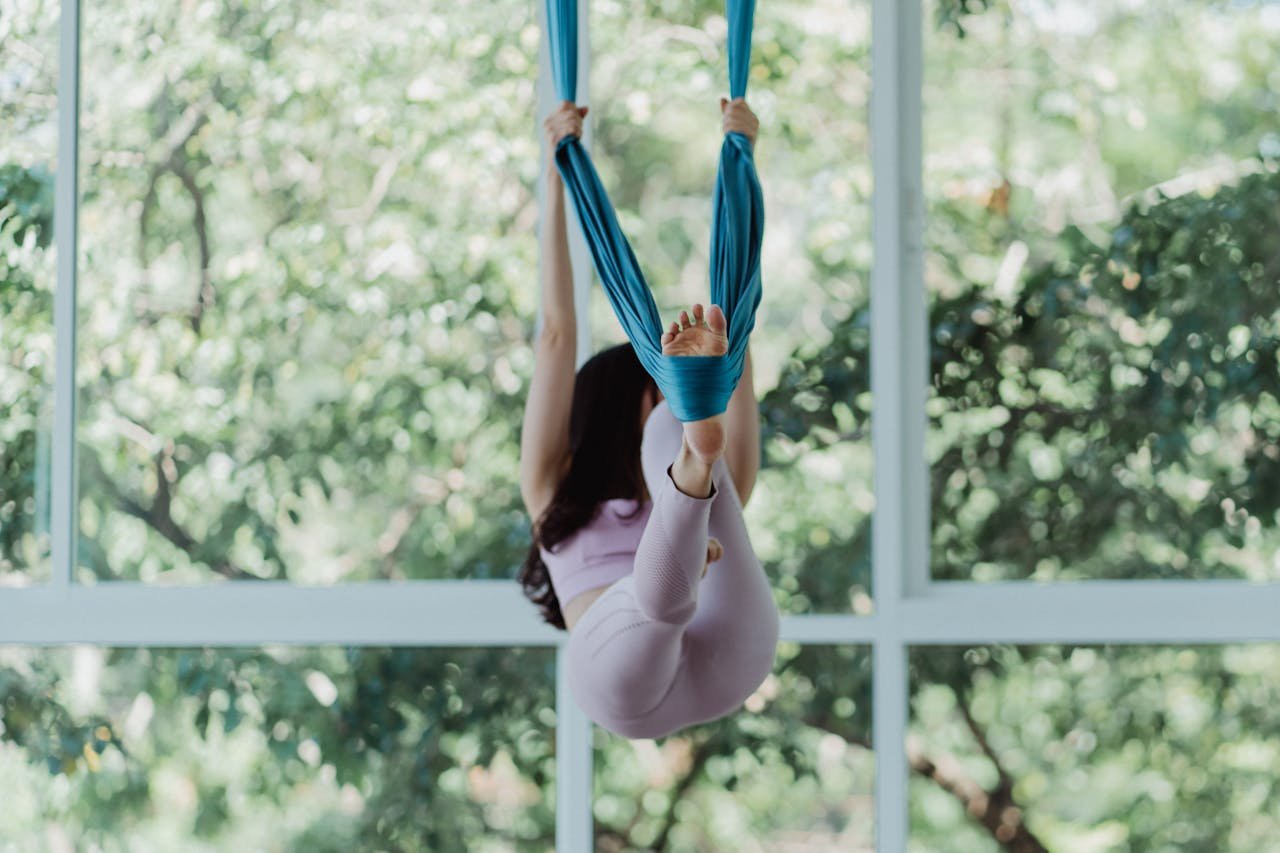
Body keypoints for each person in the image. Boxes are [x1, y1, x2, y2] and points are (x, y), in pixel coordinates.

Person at [518, 97, 779, 739]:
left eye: (672, 387)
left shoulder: (717, 480)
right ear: (613, 399)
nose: (663, 394)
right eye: (658, 386)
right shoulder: (552, 486)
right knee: (662, 573)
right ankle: (688, 473)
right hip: (620, 678)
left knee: (699, 463)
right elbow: (555, 333)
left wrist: (739, 160)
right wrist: (558, 174)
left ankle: (691, 463)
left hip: (727, 654)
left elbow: (732, 334)